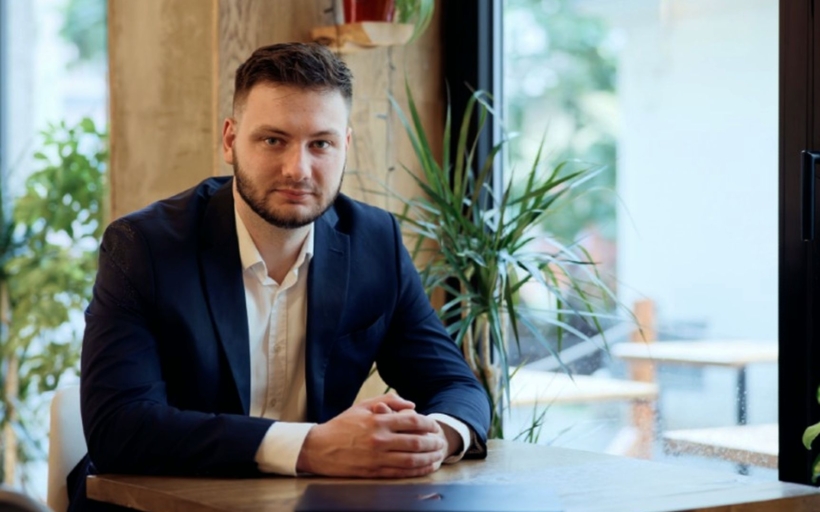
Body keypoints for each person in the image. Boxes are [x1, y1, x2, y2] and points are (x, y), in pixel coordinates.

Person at [67, 42, 490, 511]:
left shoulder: (375, 243)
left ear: (346, 146)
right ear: (230, 140)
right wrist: (310, 447)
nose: (298, 169)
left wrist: (435, 438)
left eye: (321, 144)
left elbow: (457, 388)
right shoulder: (144, 246)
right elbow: (119, 429)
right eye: (273, 140)